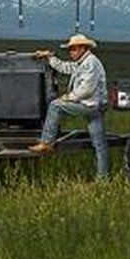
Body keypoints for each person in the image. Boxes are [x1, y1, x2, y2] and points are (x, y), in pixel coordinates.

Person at [29, 33, 109, 179]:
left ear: (83, 48)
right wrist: (50, 57)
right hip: (94, 106)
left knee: (55, 106)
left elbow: (87, 89)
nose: (70, 52)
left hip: (90, 104)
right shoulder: (83, 62)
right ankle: (102, 178)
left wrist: (68, 97)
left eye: (73, 49)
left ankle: (47, 143)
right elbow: (66, 67)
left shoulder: (90, 63)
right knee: (99, 144)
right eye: (70, 49)